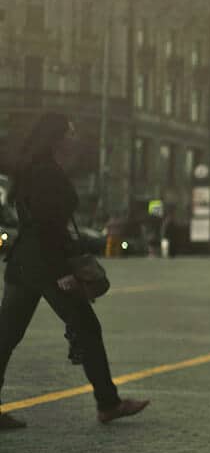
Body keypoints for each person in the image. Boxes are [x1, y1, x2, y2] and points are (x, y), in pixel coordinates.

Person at [0, 112, 149, 430]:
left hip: (24, 262)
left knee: (6, 336)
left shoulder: (35, 168)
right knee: (86, 327)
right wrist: (62, 272)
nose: (74, 136)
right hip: (45, 263)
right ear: (55, 136)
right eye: (69, 131)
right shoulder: (45, 173)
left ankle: (108, 401)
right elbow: (45, 226)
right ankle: (108, 403)